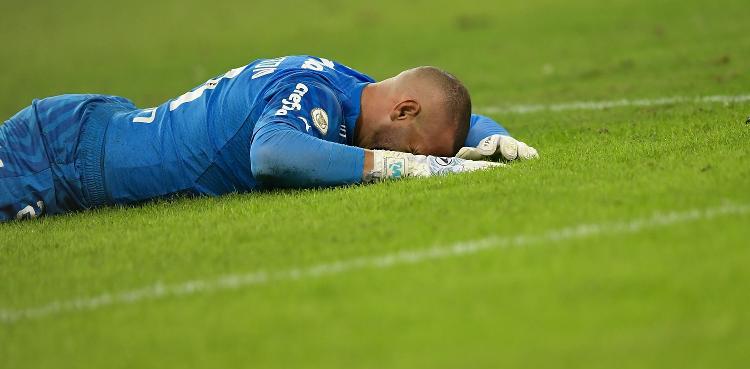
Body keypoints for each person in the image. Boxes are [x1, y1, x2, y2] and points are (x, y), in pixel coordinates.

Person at [0, 55, 538, 222]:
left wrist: (493, 136)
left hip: (91, 136)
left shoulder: (355, 90)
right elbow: (273, 156)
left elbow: (444, 111)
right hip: (55, 159)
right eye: (419, 150)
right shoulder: (311, 92)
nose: (418, 159)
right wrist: (418, 168)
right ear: (403, 109)